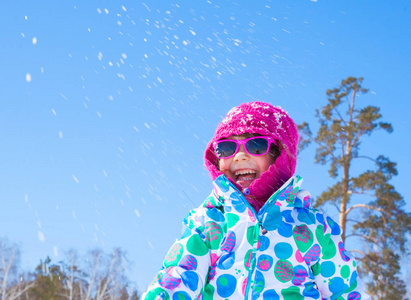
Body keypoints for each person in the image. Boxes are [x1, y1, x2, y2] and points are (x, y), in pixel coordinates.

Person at [143, 101, 368, 300]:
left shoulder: (311, 227)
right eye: (227, 147)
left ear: (280, 155)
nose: (240, 156)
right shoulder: (208, 223)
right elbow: (178, 276)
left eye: (256, 145)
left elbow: (343, 292)